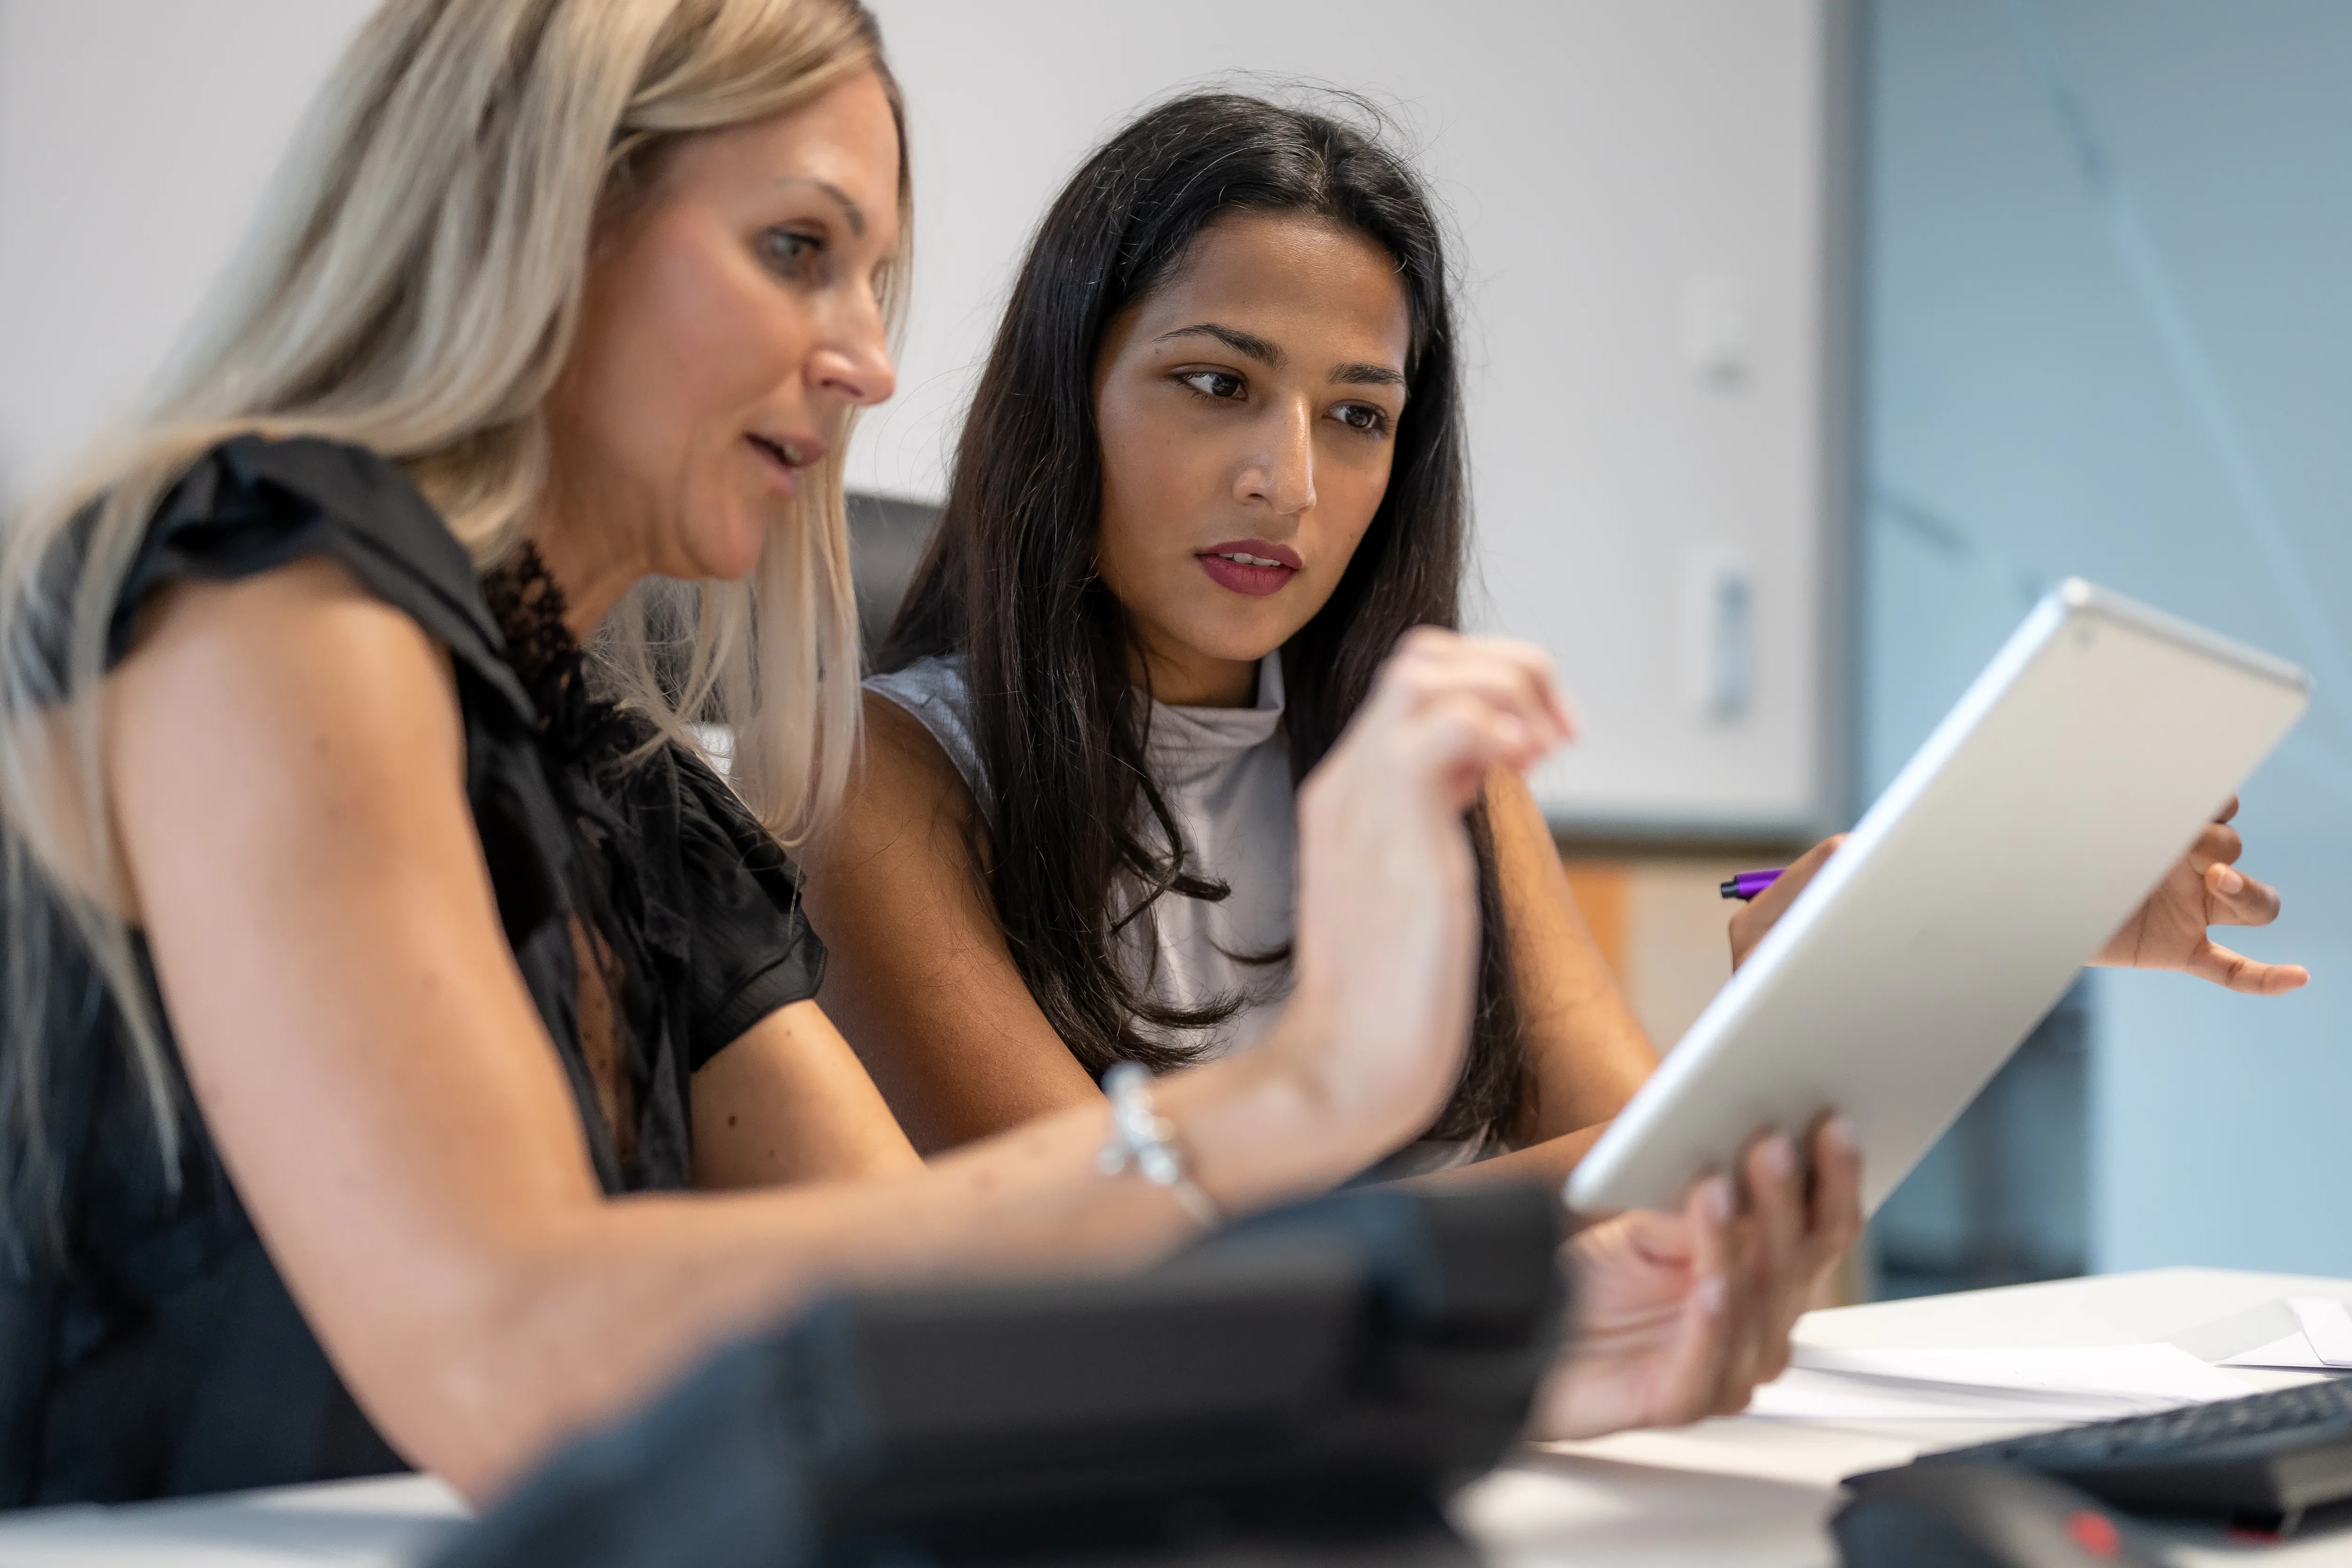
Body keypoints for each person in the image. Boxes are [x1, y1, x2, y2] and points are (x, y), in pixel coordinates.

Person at [0, 0, 1855, 1514]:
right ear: (533, 212)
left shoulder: (632, 788)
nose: (871, 362)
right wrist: (1293, 1106)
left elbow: (926, 1298)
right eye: (798, 252)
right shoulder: (267, 585)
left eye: (875, 277)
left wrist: (1517, 1367)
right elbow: (510, 1352)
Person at [807, 92, 2306, 1182]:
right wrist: (1677, 1147)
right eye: (1216, 386)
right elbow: (1114, 1262)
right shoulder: (886, 781)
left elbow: (1638, 1158)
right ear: (1065, 398)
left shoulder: (1428, 758)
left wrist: (1949, 932)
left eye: (1358, 415)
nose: (1291, 478)